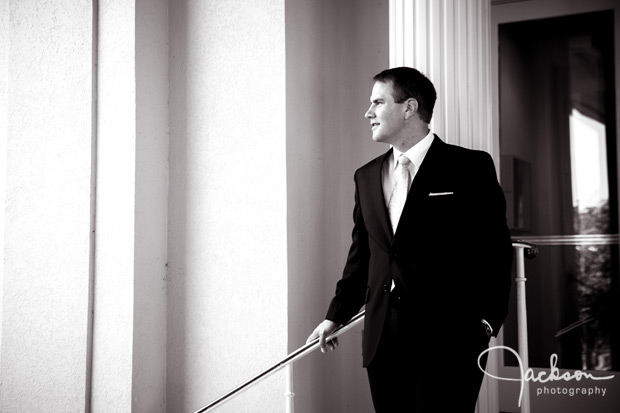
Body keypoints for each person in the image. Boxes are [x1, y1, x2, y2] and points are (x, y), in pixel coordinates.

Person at [306, 67, 513, 412]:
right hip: (382, 342)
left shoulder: (469, 167)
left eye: (378, 102)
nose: (368, 112)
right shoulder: (366, 176)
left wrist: (487, 322)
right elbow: (362, 256)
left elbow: (495, 250)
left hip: (451, 341)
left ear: (409, 108)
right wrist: (336, 316)